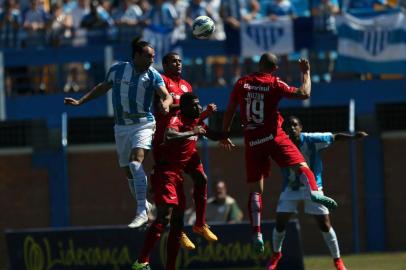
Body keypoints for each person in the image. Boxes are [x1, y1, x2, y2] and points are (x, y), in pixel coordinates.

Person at [220, 53, 338, 254]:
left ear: (258, 64)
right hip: (274, 137)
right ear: (275, 69)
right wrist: (306, 73)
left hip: (253, 141)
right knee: (302, 166)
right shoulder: (275, 83)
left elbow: (230, 109)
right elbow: (304, 93)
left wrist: (224, 133)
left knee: (256, 190)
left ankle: (256, 232)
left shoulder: (242, 83)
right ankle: (315, 192)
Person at [64, 38, 173, 228]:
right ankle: (146, 205)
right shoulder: (117, 70)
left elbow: (167, 95)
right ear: (137, 55)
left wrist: (165, 104)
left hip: (143, 124)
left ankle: (141, 210)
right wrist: (81, 102)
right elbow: (102, 87)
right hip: (121, 127)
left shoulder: (153, 75)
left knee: (135, 161)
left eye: (153, 57)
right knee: (128, 172)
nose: (151, 60)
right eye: (148, 56)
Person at [132, 92, 228, 270]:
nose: (198, 108)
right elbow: (169, 135)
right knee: (164, 216)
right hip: (165, 172)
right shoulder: (176, 119)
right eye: (194, 105)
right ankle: (141, 261)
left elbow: (212, 134)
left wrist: (226, 134)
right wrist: (193, 131)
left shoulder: (196, 121)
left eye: (199, 105)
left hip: (177, 176)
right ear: (183, 108)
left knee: (178, 223)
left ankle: (171, 266)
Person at [268, 116, 368, 270]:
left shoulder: (311, 139)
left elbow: (334, 137)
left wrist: (353, 137)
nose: (292, 128)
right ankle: (276, 254)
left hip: (313, 187)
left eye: (295, 125)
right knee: (280, 222)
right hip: (291, 188)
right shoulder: (280, 143)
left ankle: (337, 260)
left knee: (324, 224)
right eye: (288, 126)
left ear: (301, 127)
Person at [154, 52, 218, 250]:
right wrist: (184, 105)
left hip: (186, 141)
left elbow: (191, 113)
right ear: (165, 64)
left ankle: (200, 224)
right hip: (167, 142)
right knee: (177, 196)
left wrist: (203, 113)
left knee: (202, 179)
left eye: (180, 60)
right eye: (174, 61)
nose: (178, 64)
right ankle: (178, 230)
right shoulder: (161, 81)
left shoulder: (186, 85)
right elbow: (161, 108)